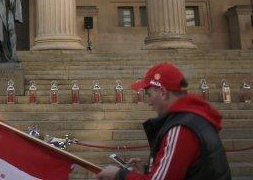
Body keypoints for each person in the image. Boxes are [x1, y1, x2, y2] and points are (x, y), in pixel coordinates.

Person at [96, 63, 231, 180]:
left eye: (149, 95)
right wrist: (146, 172)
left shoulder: (181, 128)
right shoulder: (193, 118)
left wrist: (120, 175)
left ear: (162, 92)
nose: (148, 102)